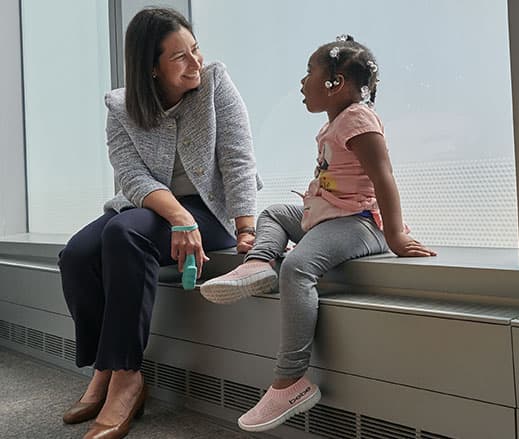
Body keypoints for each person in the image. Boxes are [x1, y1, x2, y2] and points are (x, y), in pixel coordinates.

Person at [199, 34, 436, 432]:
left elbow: (384, 177)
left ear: (336, 82)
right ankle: (258, 263)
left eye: (310, 72)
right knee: (274, 212)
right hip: (327, 216)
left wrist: (394, 235)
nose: (303, 82)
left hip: (360, 222)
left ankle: (290, 380)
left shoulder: (358, 118)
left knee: (296, 267)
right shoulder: (337, 123)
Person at [58, 8, 260, 439]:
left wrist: (246, 228)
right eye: (179, 57)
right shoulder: (121, 106)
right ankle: (107, 367)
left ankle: (126, 377)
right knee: (75, 256)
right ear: (151, 68)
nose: (195, 62)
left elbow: (238, 156)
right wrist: (178, 216)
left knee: (123, 232)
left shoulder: (215, 84)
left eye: (195, 49)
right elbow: (132, 177)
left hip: (210, 210)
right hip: (154, 207)